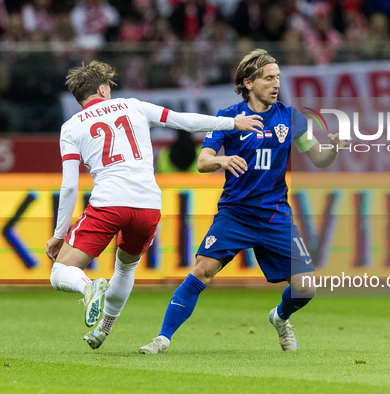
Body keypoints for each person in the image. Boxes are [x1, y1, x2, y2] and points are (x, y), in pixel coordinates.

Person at [139, 49, 350, 354]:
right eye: (268, 78)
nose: (276, 84)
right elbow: (203, 162)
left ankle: (280, 317)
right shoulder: (227, 118)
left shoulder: (292, 118)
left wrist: (334, 149)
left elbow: (318, 158)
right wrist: (222, 161)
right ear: (249, 83)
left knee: (306, 288)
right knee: (202, 270)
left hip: (275, 216)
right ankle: (163, 338)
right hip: (235, 214)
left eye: (278, 77)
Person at [46, 60, 263, 350]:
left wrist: (60, 234)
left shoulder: (71, 127)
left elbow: (70, 186)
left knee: (60, 272)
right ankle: (104, 328)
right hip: (148, 205)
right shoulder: (133, 105)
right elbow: (183, 120)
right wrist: (230, 123)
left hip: (109, 202)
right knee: (124, 270)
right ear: (101, 88)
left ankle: (88, 286)